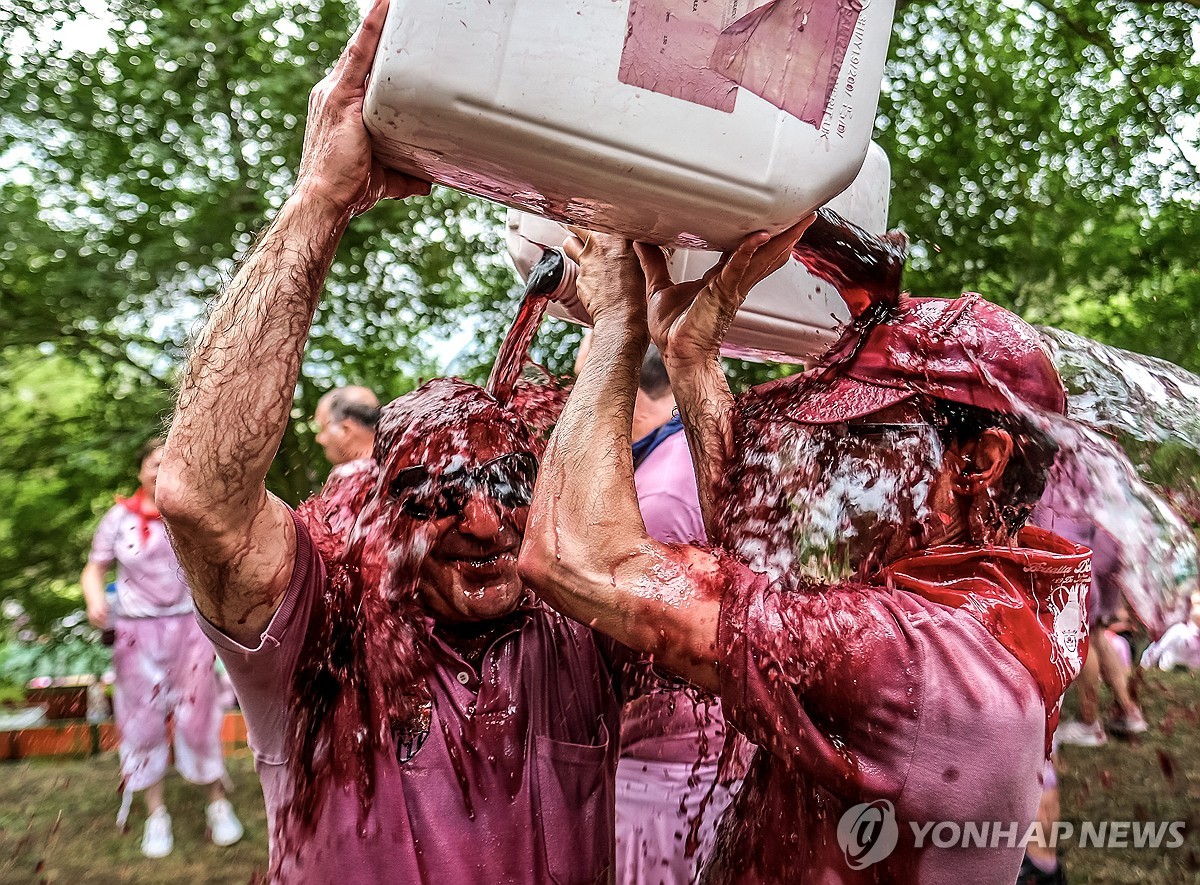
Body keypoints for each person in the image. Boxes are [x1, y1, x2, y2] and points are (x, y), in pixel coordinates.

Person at [157, 4, 632, 879]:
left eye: (507, 484)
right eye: (440, 495)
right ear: (382, 517)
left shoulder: (578, 625)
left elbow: (757, 602)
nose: (487, 523)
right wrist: (321, 200)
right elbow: (199, 498)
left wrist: (638, 335)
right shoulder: (323, 639)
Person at [518, 226, 1092, 883]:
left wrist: (617, 323)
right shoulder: (989, 608)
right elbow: (763, 588)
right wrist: (692, 361)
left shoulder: (908, 656)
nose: (839, 462)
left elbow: (572, 560)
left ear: (979, 463)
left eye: (873, 436)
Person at [81, 437, 243, 858]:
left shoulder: (191, 515)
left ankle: (217, 801)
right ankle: (155, 813)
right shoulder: (117, 519)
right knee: (142, 723)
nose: (160, 470)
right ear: (140, 471)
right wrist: (96, 599)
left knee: (198, 717)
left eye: (168, 463)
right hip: (136, 634)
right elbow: (94, 568)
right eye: (153, 463)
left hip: (189, 630)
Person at [314, 384, 380, 470]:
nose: (319, 439)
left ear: (346, 429)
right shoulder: (396, 462)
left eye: (323, 428)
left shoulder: (354, 478)